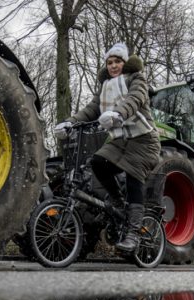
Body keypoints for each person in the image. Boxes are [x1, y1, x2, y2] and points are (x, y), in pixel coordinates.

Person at [54, 43, 161, 254]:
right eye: (110, 62)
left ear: (125, 63)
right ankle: (120, 204)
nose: (113, 66)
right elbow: (92, 109)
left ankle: (133, 233)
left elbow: (135, 99)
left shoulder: (136, 79)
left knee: (133, 176)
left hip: (144, 140)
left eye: (118, 61)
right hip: (122, 141)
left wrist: (119, 114)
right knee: (98, 162)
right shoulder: (105, 87)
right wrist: (70, 122)